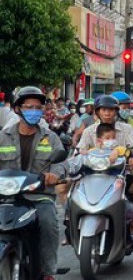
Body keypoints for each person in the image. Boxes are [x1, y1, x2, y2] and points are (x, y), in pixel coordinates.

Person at [0, 86, 66, 280]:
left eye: (38, 107)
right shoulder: (2, 137)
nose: (34, 111)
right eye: (29, 106)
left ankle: (47, 272)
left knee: (48, 222)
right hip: (5, 196)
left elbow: (61, 163)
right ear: (17, 109)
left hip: (38, 195)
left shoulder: (51, 138)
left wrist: (54, 175)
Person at [77, 95, 133, 243]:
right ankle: (71, 226)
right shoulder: (89, 131)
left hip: (120, 174)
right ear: (97, 112)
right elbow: (80, 150)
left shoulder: (126, 128)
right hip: (93, 176)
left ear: (116, 112)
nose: (107, 113)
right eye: (104, 110)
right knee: (65, 186)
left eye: (111, 110)